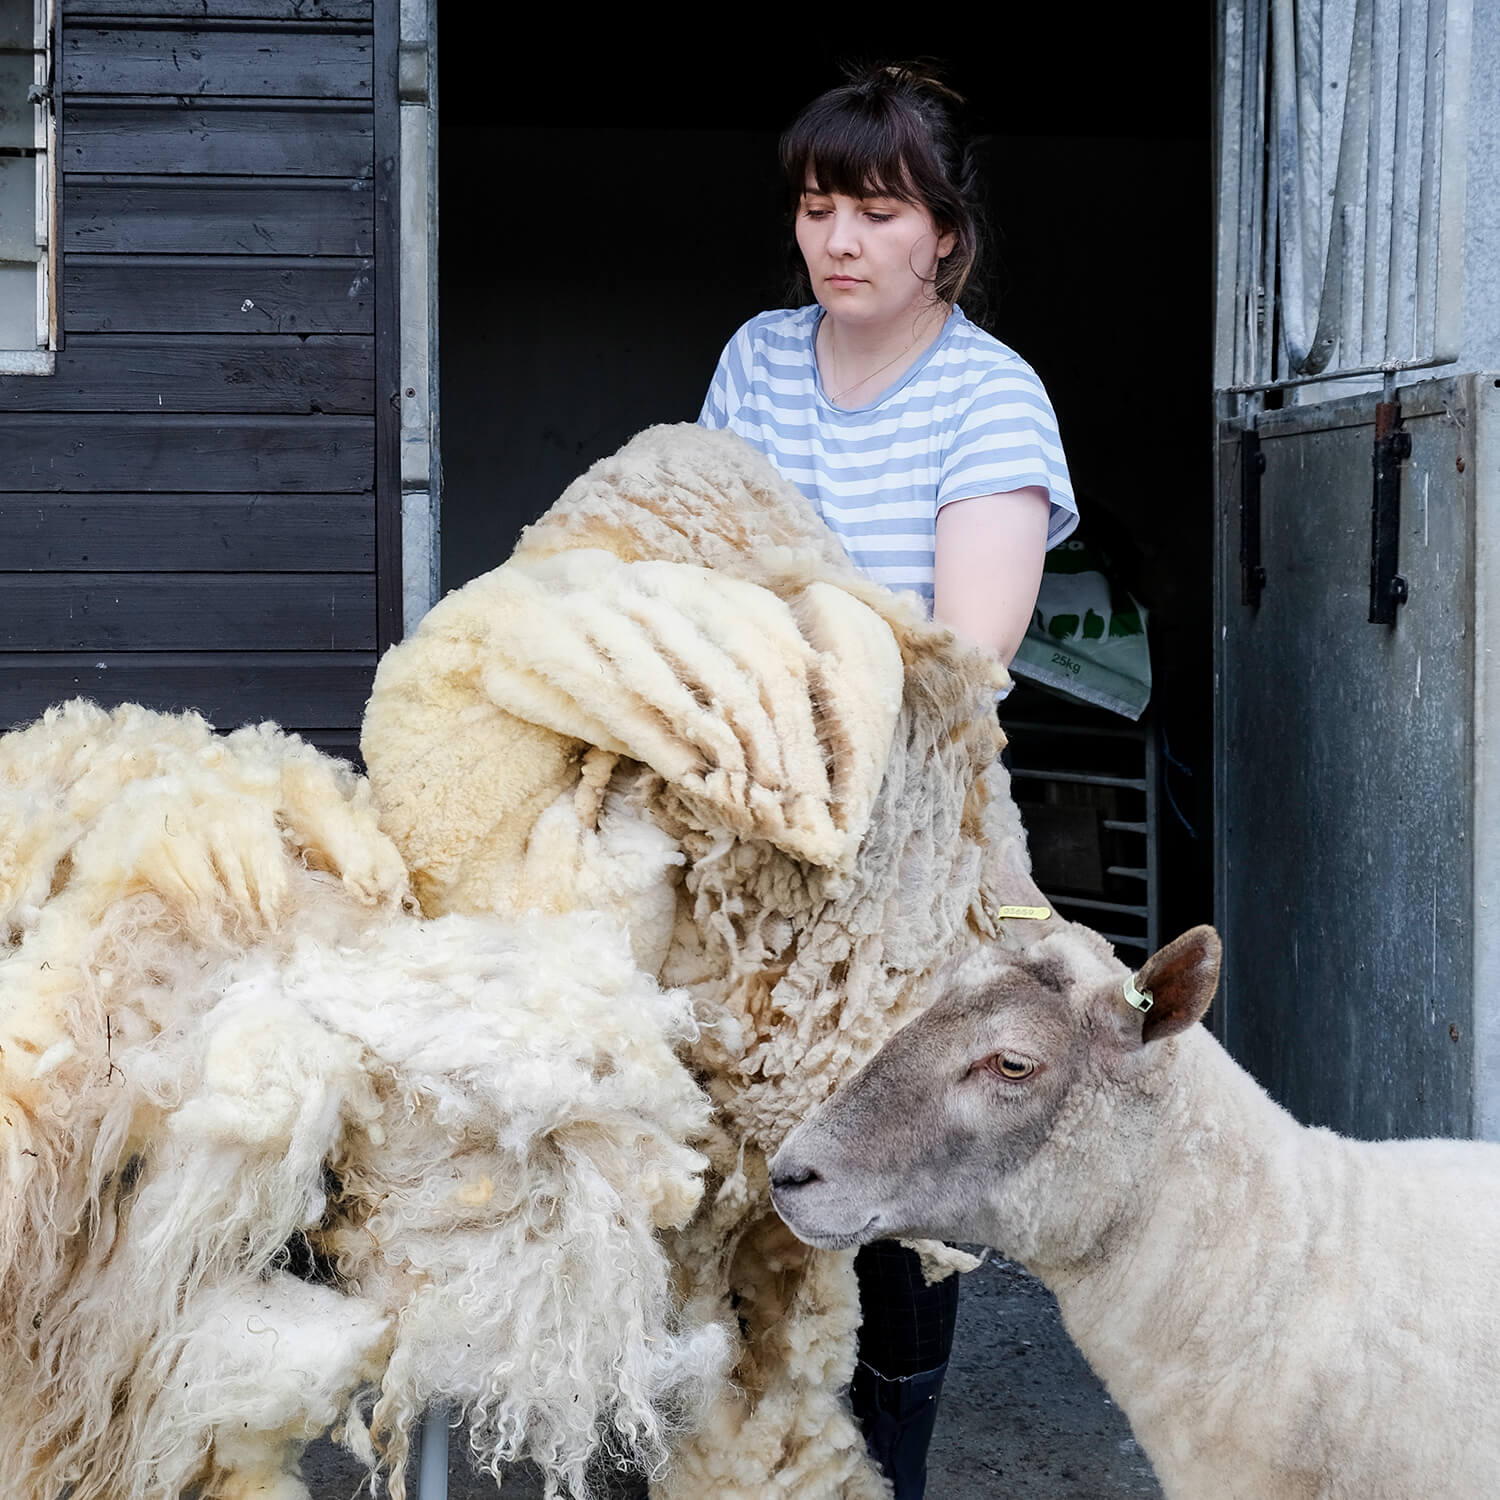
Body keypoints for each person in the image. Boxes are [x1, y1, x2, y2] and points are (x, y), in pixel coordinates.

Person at [697, 60, 1079, 1499]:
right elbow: (706, 561)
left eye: (874, 210)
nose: (837, 241)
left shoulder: (989, 399)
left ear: (945, 237)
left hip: (911, 835)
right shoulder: (757, 358)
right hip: (749, 809)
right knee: (732, 1151)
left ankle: (879, 1464)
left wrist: (798, 684)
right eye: (816, 207)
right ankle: (734, 1449)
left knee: (890, 1154)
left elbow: (964, 660)